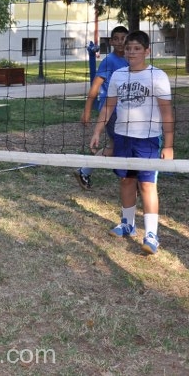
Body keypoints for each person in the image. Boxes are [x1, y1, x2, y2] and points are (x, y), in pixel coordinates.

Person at [89, 30, 174, 255]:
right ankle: (128, 224)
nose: (131, 53)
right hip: (122, 137)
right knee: (126, 180)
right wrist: (97, 131)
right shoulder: (118, 75)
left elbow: (167, 112)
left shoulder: (158, 76)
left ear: (147, 51)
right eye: (128, 49)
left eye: (137, 49)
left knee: (147, 184)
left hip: (147, 139)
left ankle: (152, 234)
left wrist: (168, 145)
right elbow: (108, 107)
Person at [74, 26, 129, 190]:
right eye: (116, 39)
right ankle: (133, 181)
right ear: (111, 42)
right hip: (111, 111)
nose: (120, 42)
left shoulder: (130, 59)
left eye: (123, 38)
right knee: (120, 146)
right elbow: (95, 87)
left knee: (115, 145)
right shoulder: (109, 61)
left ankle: (84, 171)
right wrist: (87, 110)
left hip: (125, 111)